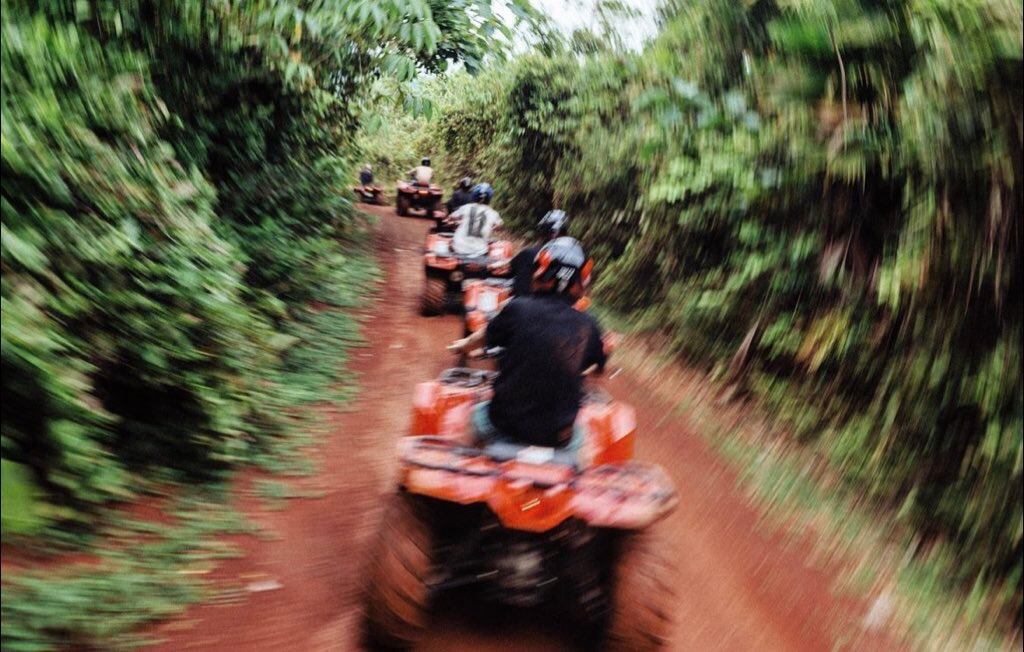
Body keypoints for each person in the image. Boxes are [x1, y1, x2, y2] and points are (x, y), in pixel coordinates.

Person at [448, 237, 606, 465]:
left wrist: (463, 346)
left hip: (503, 424)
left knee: (473, 416)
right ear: (581, 281)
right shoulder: (589, 325)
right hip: (558, 438)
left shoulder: (517, 308)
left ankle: (461, 468)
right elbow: (596, 368)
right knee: (585, 444)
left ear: (542, 271)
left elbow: (484, 336)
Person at [509, 209, 569, 296]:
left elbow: (509, 270)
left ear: (543, 232)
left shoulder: (528, 254)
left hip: (523, 305)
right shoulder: (570, 261)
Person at [450, 183, 501, 256]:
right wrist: (492, 227)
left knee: (449, 243)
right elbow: (499, 226)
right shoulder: (493, 213)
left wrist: (456, 221)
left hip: (459, 248)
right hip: (480, 251)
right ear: (489, 198)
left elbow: (452, 217)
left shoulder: (466, 207)